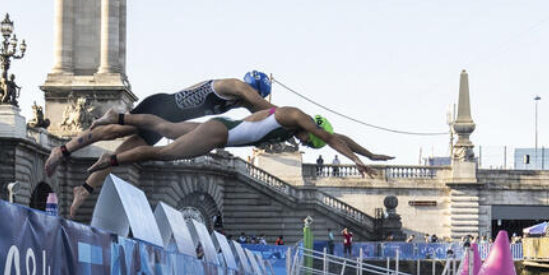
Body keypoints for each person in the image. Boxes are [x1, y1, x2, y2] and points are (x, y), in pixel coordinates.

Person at [45, 72, 276, 215]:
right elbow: (265, 108)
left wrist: (288, 128)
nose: (255, 98)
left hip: (165, 121)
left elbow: (259, 117)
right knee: (113, 131)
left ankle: (84, 189)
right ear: (254, 89)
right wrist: (300, 120)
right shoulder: (235, 86)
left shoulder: (237, 102)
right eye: (258, 94)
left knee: (123, 154)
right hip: (161, 107)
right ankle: (62, 150)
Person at [83, 106, 392, 180]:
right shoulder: (293, 116)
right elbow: (330, 138)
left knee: (166, 126)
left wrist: (371, 154)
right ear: (309, 131)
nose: (304, 145)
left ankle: (117, 117)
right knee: (163, 153)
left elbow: (338, 137)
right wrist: (357, 162)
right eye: (308, 142)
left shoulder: (295, 123)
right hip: (221, 135)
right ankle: (109, 161)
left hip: (224, 128)